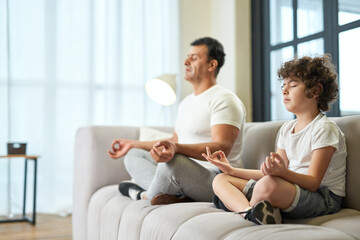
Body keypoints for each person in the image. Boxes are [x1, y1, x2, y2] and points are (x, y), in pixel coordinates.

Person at [203, 54, 346, 225]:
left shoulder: (324, 129)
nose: (284, 90)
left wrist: (282, 173)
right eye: (283, 86)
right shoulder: (287, 129)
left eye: (292, 85)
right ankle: (250, 212)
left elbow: (314, 182)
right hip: (288, 188)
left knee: (268, 184)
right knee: (220, 179)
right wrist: (231, 170)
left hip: (322, 197)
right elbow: (269, 174)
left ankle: (239, 204)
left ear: (315, 91)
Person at [108, 37, 246, 205]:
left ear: (212, 65)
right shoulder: (185, 103)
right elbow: (174, 141)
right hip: (186, 173)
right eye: (188, 57)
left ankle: (143, 195)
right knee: (134, 155)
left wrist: (176, 149)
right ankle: (174, 193)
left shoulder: (224, 99)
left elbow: (221, 147)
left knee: (173, 162)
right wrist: (132, 144)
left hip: (218, 180)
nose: (186, 62)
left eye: (194, 58)